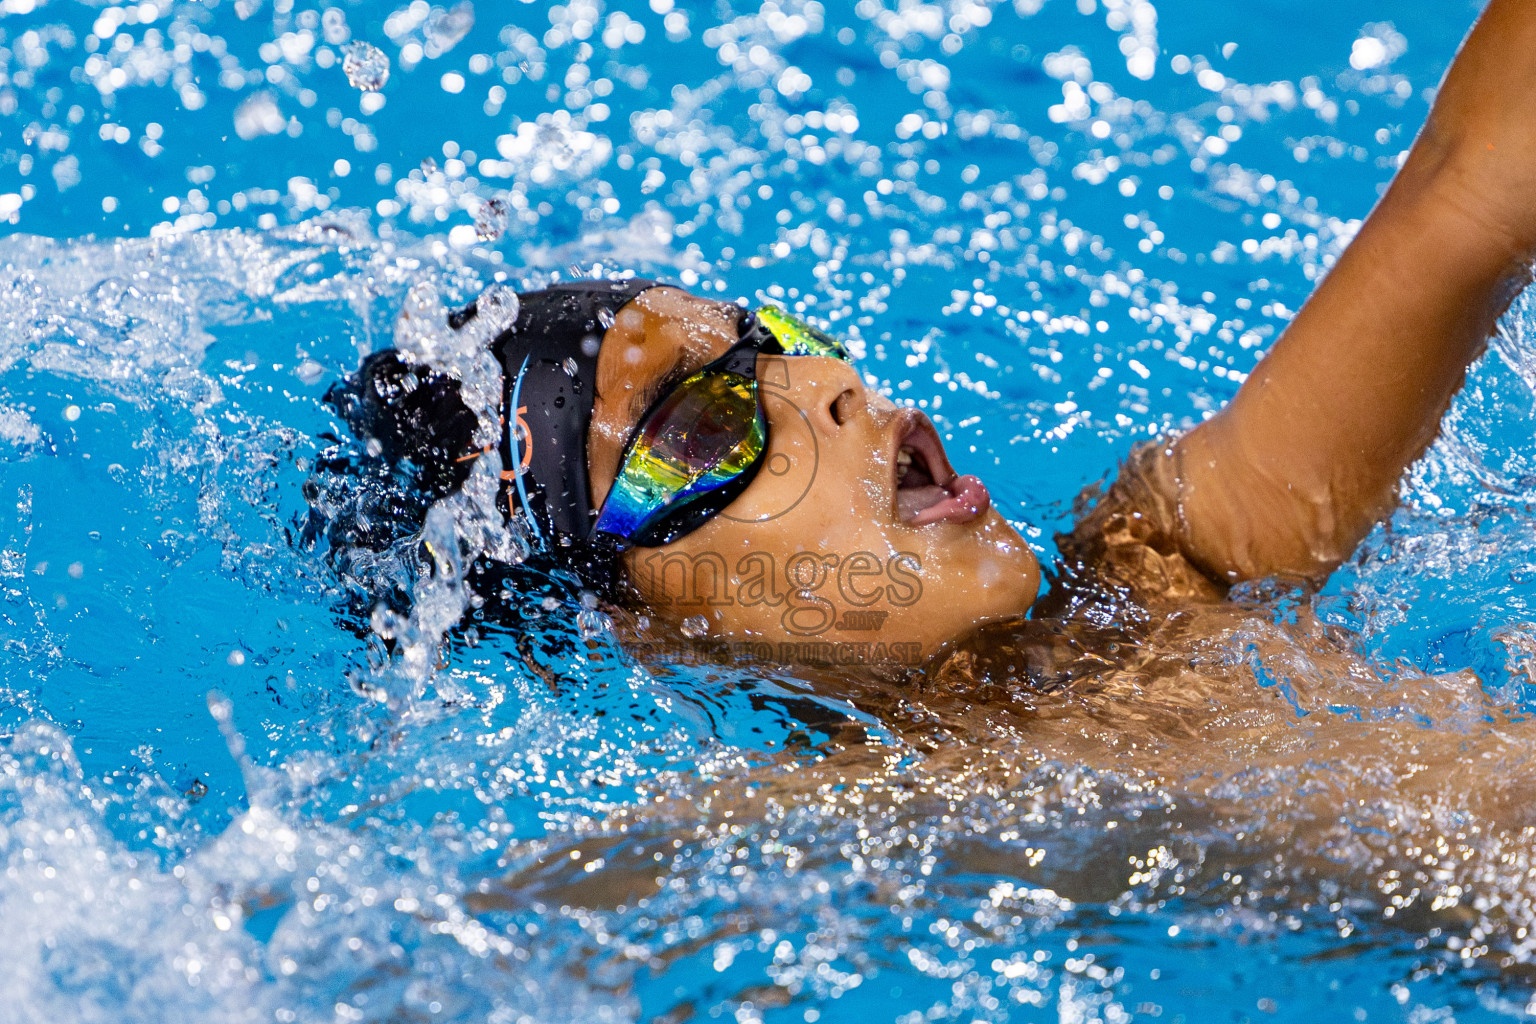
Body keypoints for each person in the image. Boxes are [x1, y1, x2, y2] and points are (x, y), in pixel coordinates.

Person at [321, 0, 1536, 683]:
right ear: (634, 627)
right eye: (703, 423)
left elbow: (1467, 198)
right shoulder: (837, 831)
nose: (831, 384)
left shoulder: (1163, 565)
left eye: (776, 344)